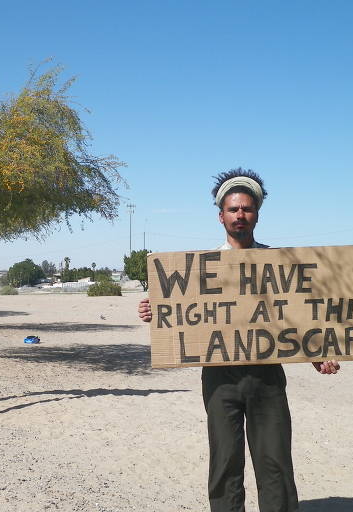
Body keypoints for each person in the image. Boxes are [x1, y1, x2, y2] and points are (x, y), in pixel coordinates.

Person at [137, 168, 340, 512]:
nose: (240, 215)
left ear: (257, 214)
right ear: (221, 216)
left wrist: (317, 353)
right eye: (233, 209)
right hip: (220, 377)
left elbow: (296, 315)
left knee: (275, 462)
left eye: (247, 208)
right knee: (225, 462)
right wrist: (154, 312)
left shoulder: (279, 264)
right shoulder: (199, 268)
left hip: (267, 376)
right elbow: (184, 314)